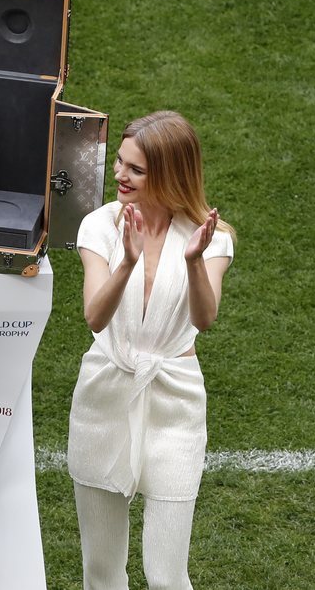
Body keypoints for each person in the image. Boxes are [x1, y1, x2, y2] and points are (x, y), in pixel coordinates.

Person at [67, 111, 235, 590]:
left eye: (135, 169)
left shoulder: (212, 238)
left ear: (168, 174)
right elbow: (95, 317)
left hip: (175, 403)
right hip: (105, 394)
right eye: (119, 163)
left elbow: (204, 318)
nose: (119, 175)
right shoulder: (99, 226)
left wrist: (195, 261)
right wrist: (128, 263)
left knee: (166, 575)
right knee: (101, 572)